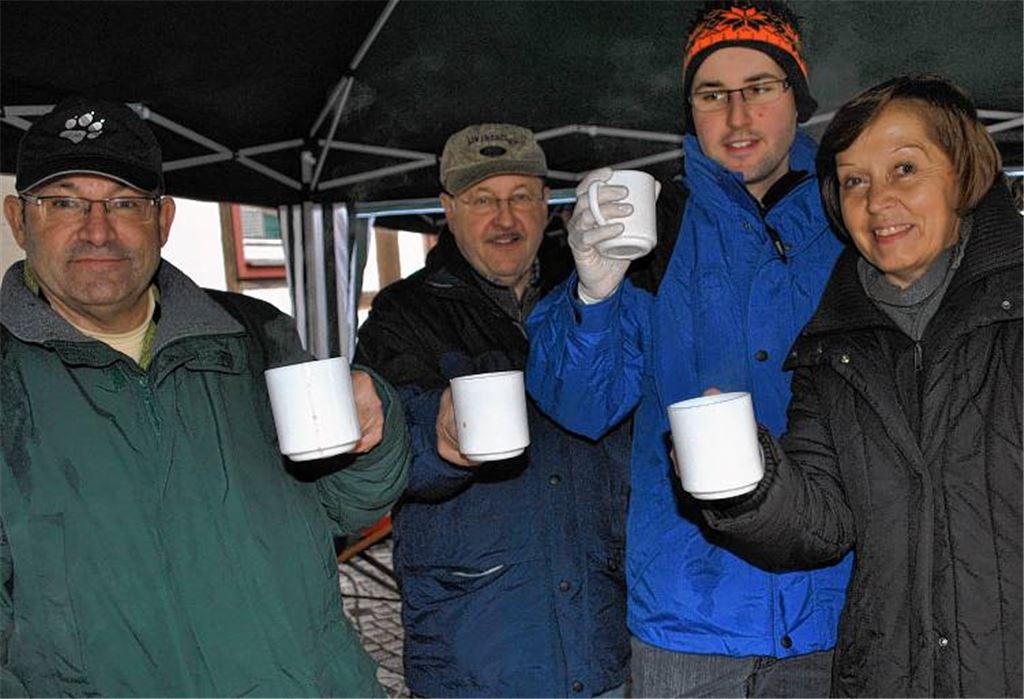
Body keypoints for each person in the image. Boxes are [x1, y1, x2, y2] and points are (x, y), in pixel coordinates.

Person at [0, 96, 410, 697]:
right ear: (19, 219)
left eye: (124, 203)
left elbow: (347, 507)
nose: (97, 230)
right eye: (64, 202)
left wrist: (375, 428)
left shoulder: (254, 333)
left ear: (162, 220)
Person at [526, 2, 853, 696]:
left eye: (759, 87)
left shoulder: (849, 222)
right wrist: (592, 295)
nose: (737, 116)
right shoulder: (654, 231)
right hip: (689, 619)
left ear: (797, 99)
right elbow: (581, 407)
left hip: (836, 608)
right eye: (712, 95)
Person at [698, 74, 1022, 697]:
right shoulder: (833, 347)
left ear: (963, 174)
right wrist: (746, 479)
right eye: (854, 181)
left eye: (905, 169)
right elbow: (824, 524)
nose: (877, 202)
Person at [355, 123, 631, 698]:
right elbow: (386, 460)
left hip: (601, 636)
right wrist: (440, 440)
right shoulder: (404, 314)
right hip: (477, 648)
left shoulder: (596, 292)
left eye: (520, 197)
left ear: (547, 204)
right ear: (448, 209)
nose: (505, 219)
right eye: (483, 200)